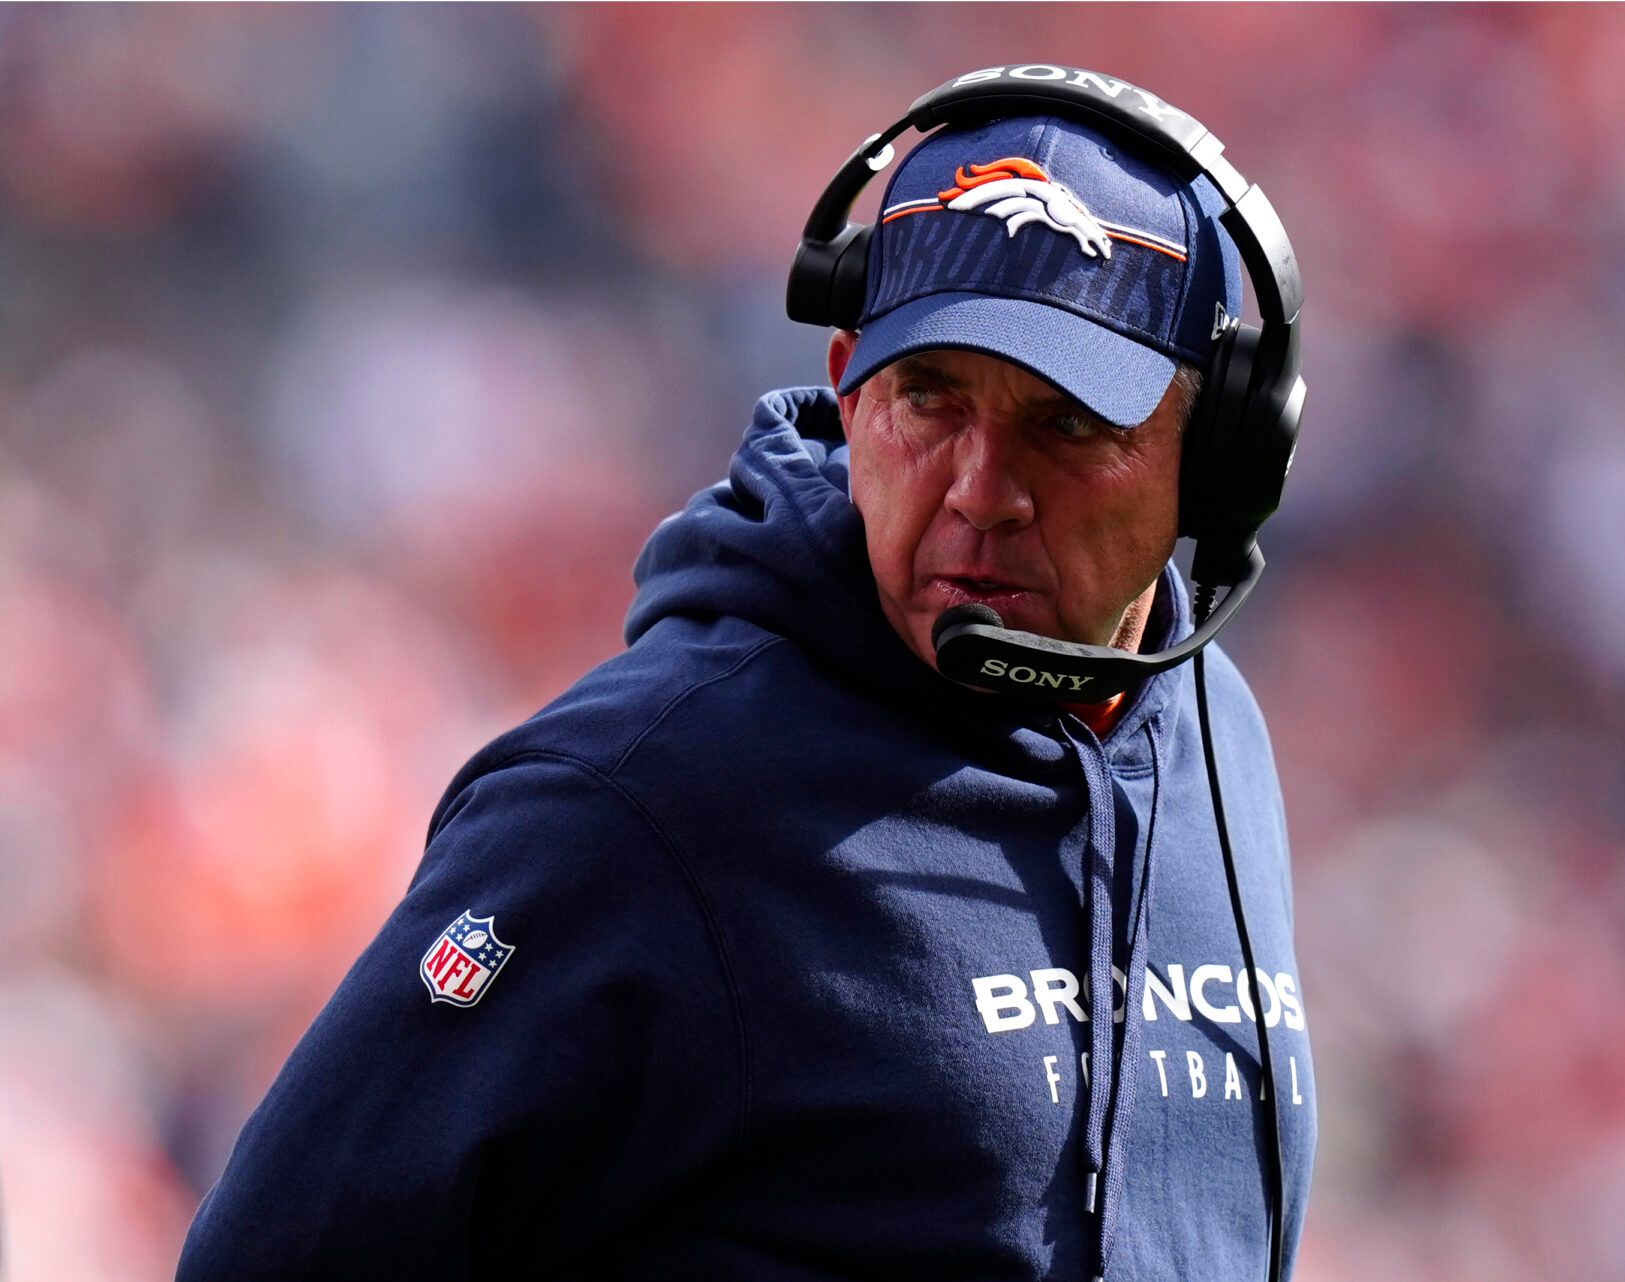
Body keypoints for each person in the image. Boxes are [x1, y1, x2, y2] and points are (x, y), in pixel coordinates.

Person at [178, 69, 1316, 1282]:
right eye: (928, 401)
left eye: (1068, 425)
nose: (982, 490)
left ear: (1217, 457)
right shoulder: (640, 796)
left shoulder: (1212, 732)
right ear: (845, 384)